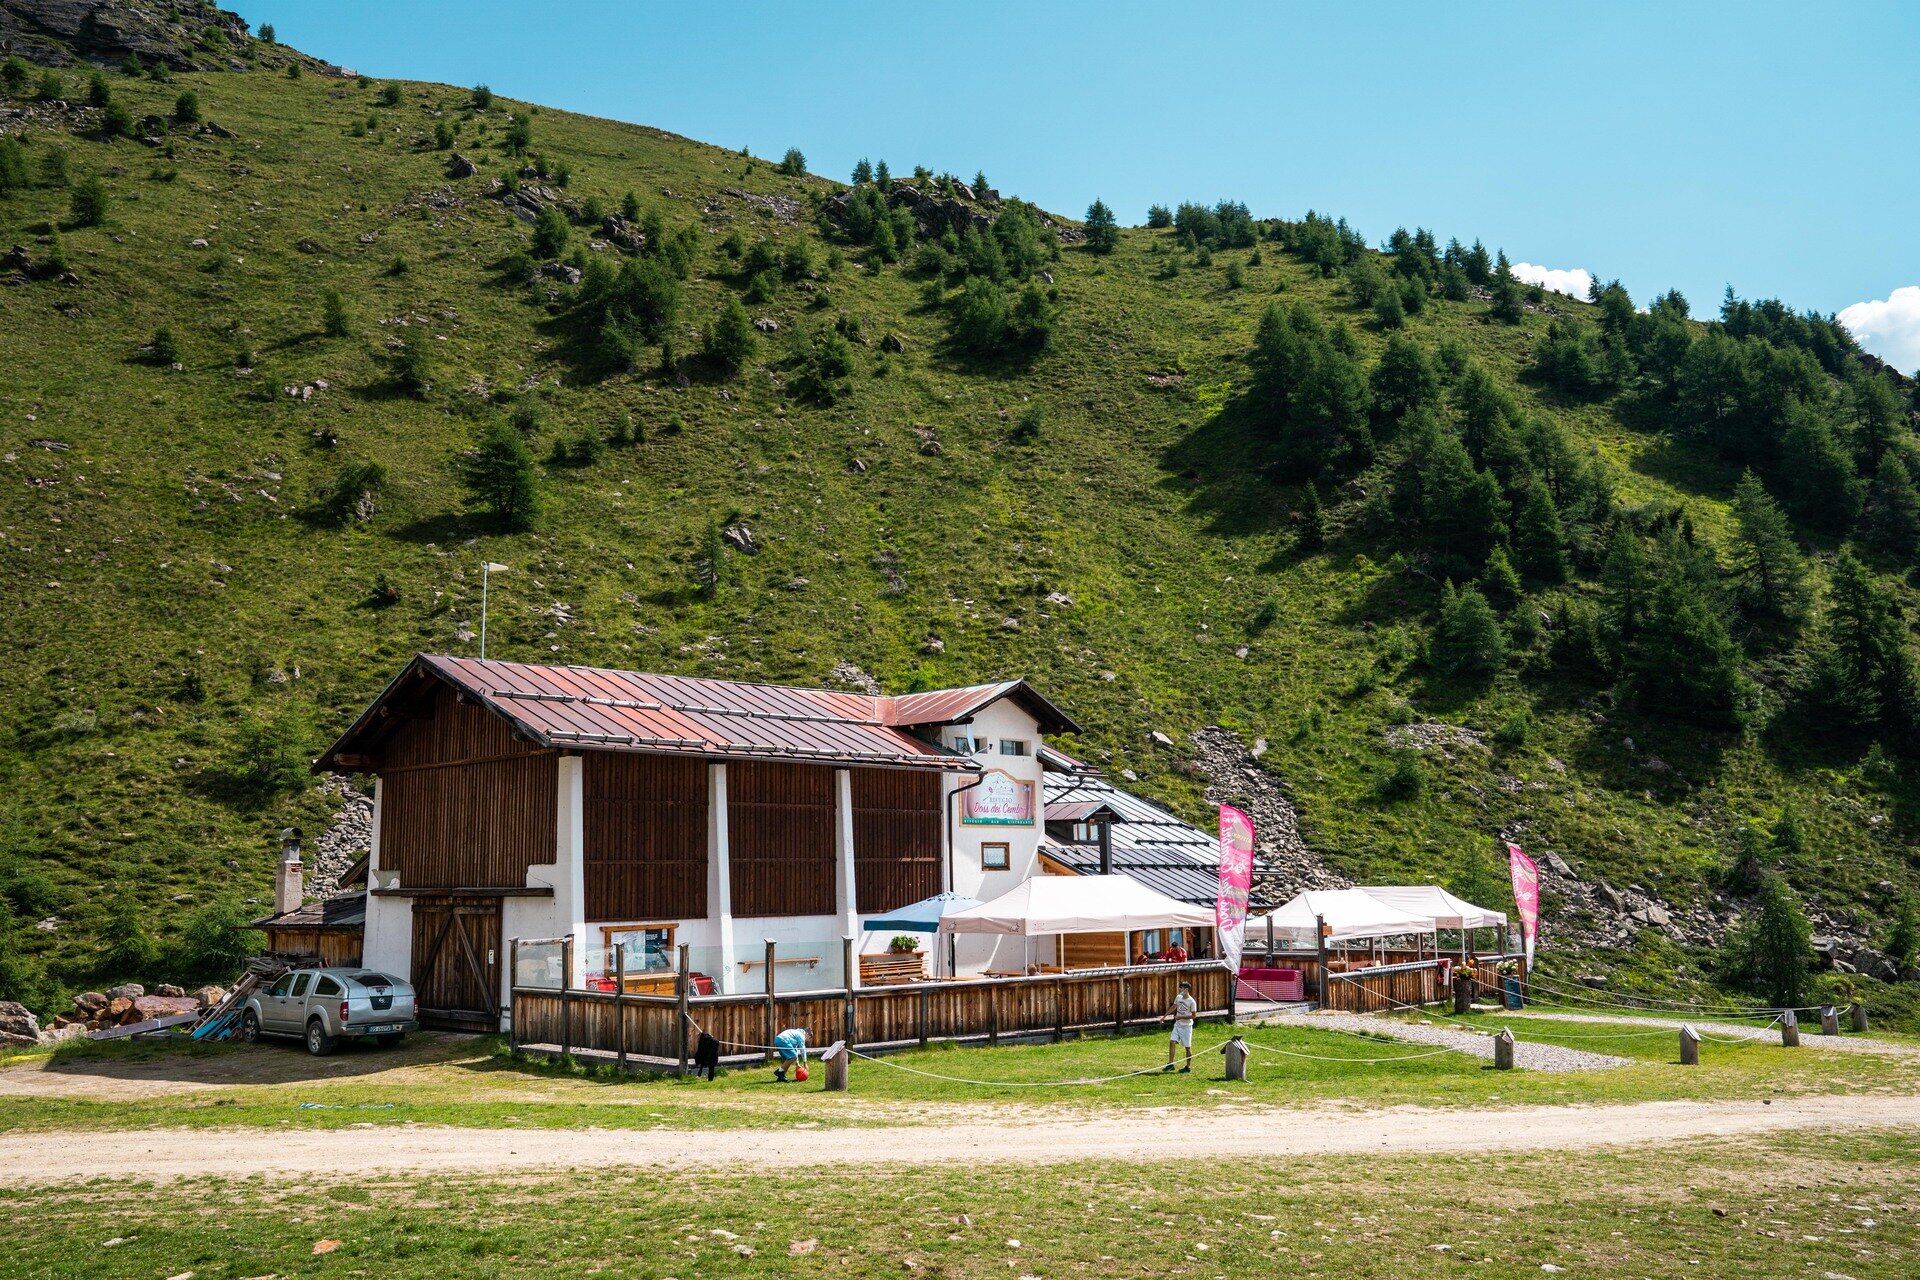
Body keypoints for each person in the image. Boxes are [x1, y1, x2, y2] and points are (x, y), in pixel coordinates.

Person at [1165, 981, 1197, 1073]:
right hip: (1177, 1025)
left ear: (1186, 989)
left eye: (1182, 988)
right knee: (1172, 1042)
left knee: (1187, 1047)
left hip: (1186, 1027)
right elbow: (1173, 1007)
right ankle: (1170, 1064)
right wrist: (1164, 1016)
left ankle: (1188, 1067)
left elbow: (1194, 1016)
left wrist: (1181, 1017)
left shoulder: (1191, 1002)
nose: (1180, 990)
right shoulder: (1179, 997)